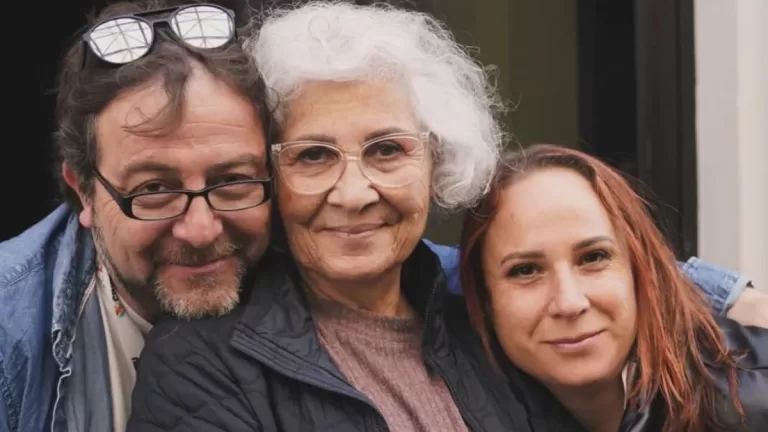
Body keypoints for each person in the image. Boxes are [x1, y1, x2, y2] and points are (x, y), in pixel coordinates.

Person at [0, 2, 763, 432]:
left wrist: (722, 293)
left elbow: (575, 263)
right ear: (272, 176)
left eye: (388, 150)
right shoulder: (198, 362)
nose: (354, 192)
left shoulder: (477, 309)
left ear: (437, 162)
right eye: (313, 156)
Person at [0, 2, 273, 431]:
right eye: (154, 190)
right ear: (83, 191)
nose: (201, 230)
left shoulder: (339, 279)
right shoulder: (7, 332)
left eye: (233, 180)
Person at [459, 144, 768, 431]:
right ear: (485, 300)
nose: (569, 302)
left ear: (641, 269)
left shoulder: (750, 404)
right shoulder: (471, 405)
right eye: (525, 270)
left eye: (594, 257)